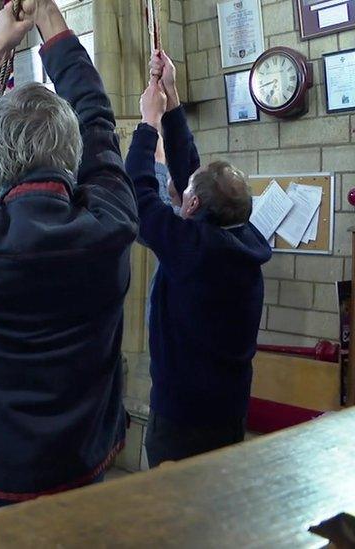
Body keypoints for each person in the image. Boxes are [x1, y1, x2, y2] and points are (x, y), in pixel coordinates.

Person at [0, 0, 138, 516]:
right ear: (73, 154)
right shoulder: (109, 223)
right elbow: (98, 118)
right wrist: (51, 21)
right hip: (79, 465)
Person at [126, 51, 271, 467]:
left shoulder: (194, 250)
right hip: (227, 409)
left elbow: (137, 195)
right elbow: (192, 172)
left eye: (185, 197)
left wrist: (147, 123)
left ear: (191, 210)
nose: (178, 194)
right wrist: (170, 95)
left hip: (182, 418)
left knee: (178, 520)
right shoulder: (241, 236)